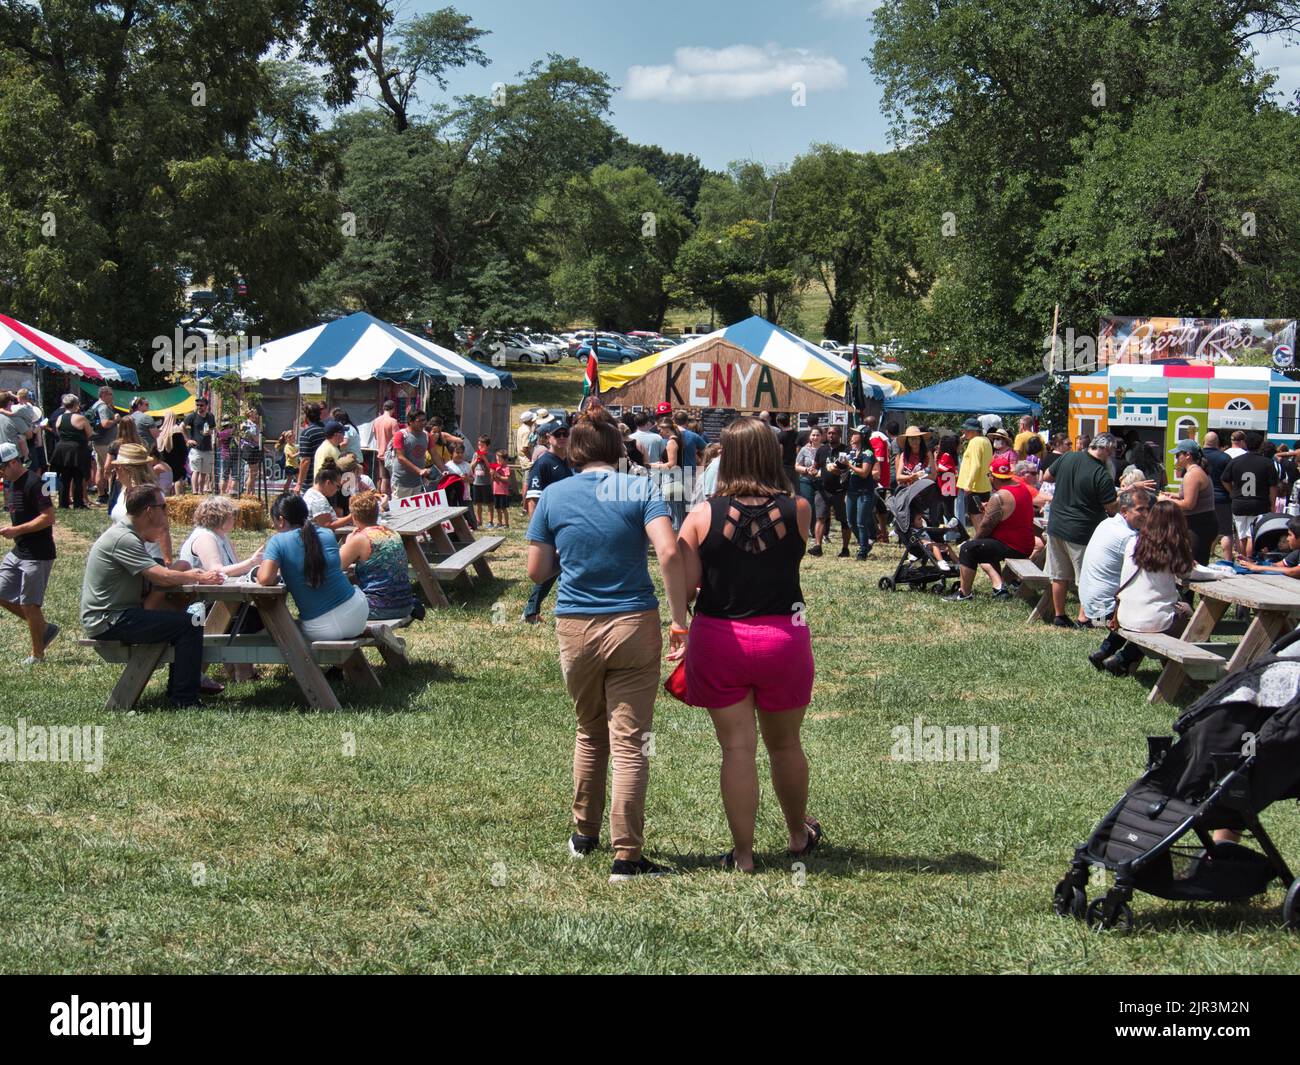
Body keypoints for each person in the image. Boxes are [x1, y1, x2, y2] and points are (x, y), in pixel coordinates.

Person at [525, 408, 688, 882]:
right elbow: (670, 550)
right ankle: (627, 857)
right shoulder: (640, 488)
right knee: (631, 744)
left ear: (574, 451)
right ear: (618, 449)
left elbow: (537, 571)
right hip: (635, 622)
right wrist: (680, 620)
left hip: (574, 624)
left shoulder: (553, 495)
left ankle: (583, 834)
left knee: (588, 731)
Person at [676, 416, 820, 873]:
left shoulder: (700, 515)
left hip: (720, 636)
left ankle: (743, 855)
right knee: (786, 745)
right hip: (784, 635)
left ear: (726, 458)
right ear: (771, 454)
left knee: (737, 750)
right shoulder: (798, 508)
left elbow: (688, 582)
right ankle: (798, 834)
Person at [81, 485, 223, 707]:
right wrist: (198, 576)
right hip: (109, 620)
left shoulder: (129, 535)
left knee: (188, 619)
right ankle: (184, 699)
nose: (166, 513)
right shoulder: (123, 539)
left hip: (118, 615)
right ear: (149, 511)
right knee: (190, 624)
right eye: (163, 507)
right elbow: (161, 578)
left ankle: (181, 691)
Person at [1097, 499, 1196, 676]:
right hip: (1151, 620)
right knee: (1188, 617)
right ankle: (1184, 674)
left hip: (1122, 615)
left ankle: (1110, 651)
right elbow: (1187, 573)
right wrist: (1220, 574)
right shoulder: (1173, 546)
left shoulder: (1134, 542)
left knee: (1149, 615)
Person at [178, 494, 266, 682]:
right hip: (201, 608)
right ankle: (242, 673)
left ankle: (241, 671)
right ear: (220, 517)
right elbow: (217, 573)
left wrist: (251, 565)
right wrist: (250, 563)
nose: (234, 518)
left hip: (220, 602)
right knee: (255, 618)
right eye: (232, 515)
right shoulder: (204, 538)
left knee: (251, 616)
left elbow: (234, 569)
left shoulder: (221, 537)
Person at [259, 493, 368, 641]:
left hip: (322, 627)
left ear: (281, 520)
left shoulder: (277, 541)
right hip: (358, 614)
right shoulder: (327, 534)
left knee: (279, 631)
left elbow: (265, 578)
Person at [1043, 432, 1119, 627]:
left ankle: (1059, 615)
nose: (1113, 454)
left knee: (1059, 575)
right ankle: (1084, 618)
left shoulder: (1068, 456)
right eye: (1112, 450)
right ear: (1105, 448)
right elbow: (1111, 508)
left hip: (1056, 525)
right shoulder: (1100, 473)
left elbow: (1047, 476)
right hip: (1082, 531)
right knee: (1085, 576)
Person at [944, 453, 1036, 600]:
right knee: (985, 546)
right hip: (1025, 544)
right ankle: (998, 587)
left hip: (1013, 546)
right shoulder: (1022, 488)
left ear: (993, 477)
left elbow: (986, 526)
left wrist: (973, 542)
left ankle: (964, 593)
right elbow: (1009, 512)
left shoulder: (999, 496)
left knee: (970, 549)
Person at [0, 442, 58, 664]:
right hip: (19, 550)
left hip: (38, 553)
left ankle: (38, 655)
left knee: (30, 604)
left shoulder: (38, 483)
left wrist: (16, 530)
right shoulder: (10, 483)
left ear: (14, 462)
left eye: (2, 467)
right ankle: (43, 628)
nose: (1, 472)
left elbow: (49, 517)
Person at [1079, 486, 1151, 644]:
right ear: (1125, 511)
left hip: (1091, 607)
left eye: (1147, 509)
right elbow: (1149, 571)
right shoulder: (1129, 537)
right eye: (1140, 510)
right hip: (1104, 615)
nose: (1146, 514)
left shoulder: (1107, 523)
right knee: (1158, 616)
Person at [522, 423, 572, 622]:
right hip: (550, 525)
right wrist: (538, 531)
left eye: (565, 434)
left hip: (567, 523)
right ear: (549, 437)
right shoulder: (543, 463)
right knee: (555, 566)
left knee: (560, 565)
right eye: (557, 434)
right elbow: (533, 499)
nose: (562, 437)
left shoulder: (571, 462)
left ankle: (533, 610)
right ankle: (534, 610)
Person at [340, 491, 416, 621]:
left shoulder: (360, 539)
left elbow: (336, 566)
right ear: (376, 513)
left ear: (354, 517)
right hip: (405, 605)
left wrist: (348, 541)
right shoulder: (393, 533)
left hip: (377, 609)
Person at [1221, 431, 1277, 560]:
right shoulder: (1267, 463)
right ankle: (1250, 559)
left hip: (1239, 502)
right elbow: (1273, 486)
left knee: (1241, 535)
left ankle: (1241, 559)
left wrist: (1232, 492)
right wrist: (1273, 504)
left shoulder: (1236, 461)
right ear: (1260, 445)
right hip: (1259, 503)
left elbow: (1224, 479)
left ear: (1245, 443)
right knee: (1252, 534)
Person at [1161, 440, 1216, 565]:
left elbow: (1189, 504)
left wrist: (1166, 500)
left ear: (1188, 455)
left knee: (1194, 566)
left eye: (1177, 455)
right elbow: (1188, 496)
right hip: (1201, 522)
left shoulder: (1192, 474)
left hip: (1199, 525)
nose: (1176, 459)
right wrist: (1173, 496)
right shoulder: (1195, 471)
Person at [812, 424, 851, 557]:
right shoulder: (822, 450)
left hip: (840, 491)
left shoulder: (846, 450)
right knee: (820, 517)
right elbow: (815, 466)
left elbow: (849, 469)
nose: (830, 435)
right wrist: (812, 471)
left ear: (839, 435)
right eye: (829, 433)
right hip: (823, 490)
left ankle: (845, 549)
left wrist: (839, 471)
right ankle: (818, 546)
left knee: (844, 520)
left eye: (833, 433)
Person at [49, 394, 92, 510]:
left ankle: (63, 503)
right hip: (76, 450)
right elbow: (90, 434)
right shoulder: (80, 418)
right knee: (78, 476)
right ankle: (78, 503)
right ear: (76, 404)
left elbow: (58, 433)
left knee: (65, 477)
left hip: (61, 450)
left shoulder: (59, 418)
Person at [387, 409, 437, 499]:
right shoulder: (401, 435)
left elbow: (435, 455)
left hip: (417, 483)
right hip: (401, 482)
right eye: (419, 421)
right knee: (399, 512)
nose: (423, 423)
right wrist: (419, 471)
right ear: (410, 422)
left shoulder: (426, 435)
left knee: (415, 511)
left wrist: (445, 470)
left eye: (424, 420)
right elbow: (400, 457)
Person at [1200, 431, 1234, 561]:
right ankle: (1228, 561)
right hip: (1222, 499)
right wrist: (1231, 493)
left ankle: (1201, 558)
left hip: (1201, 498)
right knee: (1226, 531)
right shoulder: (1225, 457)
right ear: (1218, 443)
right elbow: (1230, 479)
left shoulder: (1197, 456)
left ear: (1204, 441)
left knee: (1202, 530)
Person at [955, 416, 992, 529]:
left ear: (973, 430)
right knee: (982, 516)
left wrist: (969, 484)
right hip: (984, 485)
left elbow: (976, 465)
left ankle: (980, 542)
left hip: (975, 487)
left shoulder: (975, 442)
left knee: (976, 517)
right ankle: (982, 541)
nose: (964, 432)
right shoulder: (986, 441)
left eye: (966, 430)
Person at [845, 427, 876, 560]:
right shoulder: (852, 452)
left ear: (862, 436)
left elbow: (864, 473)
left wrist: (848, 465)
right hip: (851, 491)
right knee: (851, 522)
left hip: (865, 492)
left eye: (855, 433)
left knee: (861, 522)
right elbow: (847, 471)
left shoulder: (868, 453)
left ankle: (863, 550)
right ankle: (864, 544)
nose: (852, 436)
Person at [87, 385, 120, 503]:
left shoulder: (95, 405)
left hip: (98, 441)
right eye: (111, 394)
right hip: (106, 443)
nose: (112, 397)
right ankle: (112, 497)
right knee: (111, 470)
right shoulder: (103, 407)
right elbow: (105, 423)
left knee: (100, 469)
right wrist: (116, 420)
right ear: (104, 395)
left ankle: (101, 496)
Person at [652, 417, 687, 531]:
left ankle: (675, 536)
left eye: (660, 430)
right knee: (676, 509)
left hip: (672, 478)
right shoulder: (676, 439)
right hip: (676, 477)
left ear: (666, 429)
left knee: (673, 509)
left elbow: (671, 464)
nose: (659, 432)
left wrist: (652, 465)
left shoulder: (671, 442)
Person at [183, 396, 217, 495]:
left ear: (206, 406)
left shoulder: (210, 416)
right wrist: (188, 440)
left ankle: (201, 491)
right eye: (197, 405)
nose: (199, 407)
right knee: (195, 471)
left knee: (204, 472)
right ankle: (194, 491)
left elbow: (214, 429)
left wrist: (210, 432)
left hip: (207, 448)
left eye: (201, 405)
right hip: (196, 449)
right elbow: (181, 427)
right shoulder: (192, 416)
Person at [294, 403, 327, 493]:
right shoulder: (326, 430)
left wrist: (299, 483)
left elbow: (305, 460)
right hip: (326, 475)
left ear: (306, 416)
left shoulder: (307, 433)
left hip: (310, 479)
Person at [155, 411, 188, 495]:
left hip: (164, 461)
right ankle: (178, 499)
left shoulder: (160, 431)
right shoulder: (177, 431)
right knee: (177, 479)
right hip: (177, 461)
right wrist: (184, 460)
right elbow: (183, 449)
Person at [793, 427, 822, 518]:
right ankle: (807, 527)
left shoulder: (825, 449)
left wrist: (820, 471)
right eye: (813, 435)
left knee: (820, 506)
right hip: (806, 480)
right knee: (808, 504)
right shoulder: (804, 449)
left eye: (818, 435)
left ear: (821, 437)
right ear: (810, 436)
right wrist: (806, 469)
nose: (815, 437)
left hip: (821, 480)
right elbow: (797, 466)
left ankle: (819, 530)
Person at [372, 400, 399, 496]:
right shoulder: (393, 421)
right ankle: (388, 499)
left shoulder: (376, 421)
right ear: (393, 409)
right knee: (390, 478)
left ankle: (381, 498)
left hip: (380, 452)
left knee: (382, 477)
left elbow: (375, 436)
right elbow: (397, 439)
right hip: (390, 454)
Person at [469, 435, 494, 526]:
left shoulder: (490, 455)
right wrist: (476, 460)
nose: (480, 447)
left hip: (486, 483)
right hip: (476, 482)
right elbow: (471, 468)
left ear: (487, 446)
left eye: (482, 445)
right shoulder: (475, 454)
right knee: (478, 503)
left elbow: (491, 469)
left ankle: (490, 521)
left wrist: (484, 458)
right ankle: (479, 521)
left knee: (489, 503)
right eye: (479, 445)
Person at [935, 433, 960, 522]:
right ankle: (939, 534)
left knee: (948, 514)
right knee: (939, 514)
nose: (938, 446)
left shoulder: (946, 456)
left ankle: (963, 534)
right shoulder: (947, 456)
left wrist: (934, 460)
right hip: (946, 489)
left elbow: (939, 470)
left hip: (948, 489)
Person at [239, 406, 263, 495]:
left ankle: (252, 492)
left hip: (255, 448)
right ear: (250, 414)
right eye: (255, 414)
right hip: (250, 449)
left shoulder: (254, 424)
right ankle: (248, 492)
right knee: (252, 472)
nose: (256, 415)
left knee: (254, 473)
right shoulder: (246, 424)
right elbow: (254, 437)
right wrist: (258, 439)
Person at [775, 413, 798, 490]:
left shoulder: (780, 435)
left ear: (779, 423)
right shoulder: (796, 433)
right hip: (795, 465)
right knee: (795, 489)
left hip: (784, 466)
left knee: (785, 489)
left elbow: (780, 452)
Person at [491, 448, 511, 528]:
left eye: (500, 460)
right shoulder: (496, 467)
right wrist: (492, 474)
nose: (498, 461)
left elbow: (507, 479)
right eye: (497, 459)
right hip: (496, 491)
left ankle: (506, 524)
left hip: (503, 492)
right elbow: (493, 479)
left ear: (505, 460)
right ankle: (499, 523)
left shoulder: (506, 467)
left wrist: (498, 475)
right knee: (498, 508)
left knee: (503, 509)